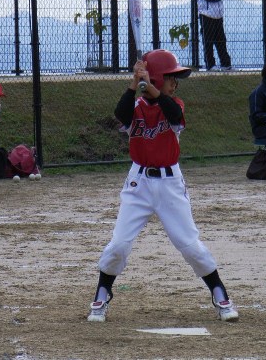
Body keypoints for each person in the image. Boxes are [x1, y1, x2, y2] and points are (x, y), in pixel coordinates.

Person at [87, 49, 239, 324]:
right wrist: (135, 82)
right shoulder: (135, 106)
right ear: (156, 78)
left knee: (189, 245)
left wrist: (153, 89)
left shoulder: (174, 104)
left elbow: (174, 115)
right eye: (169, 78)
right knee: (119, 244)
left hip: (170, 183)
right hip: (139, 184)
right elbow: (120, 113)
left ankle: (219, 291)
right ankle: (102, 292)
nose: (175, 83)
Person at [196, 0, 231, 71]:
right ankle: (210, 65)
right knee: (208, 42)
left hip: (218, 16)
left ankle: (226, 64)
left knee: (221, 41)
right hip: (206, 15)